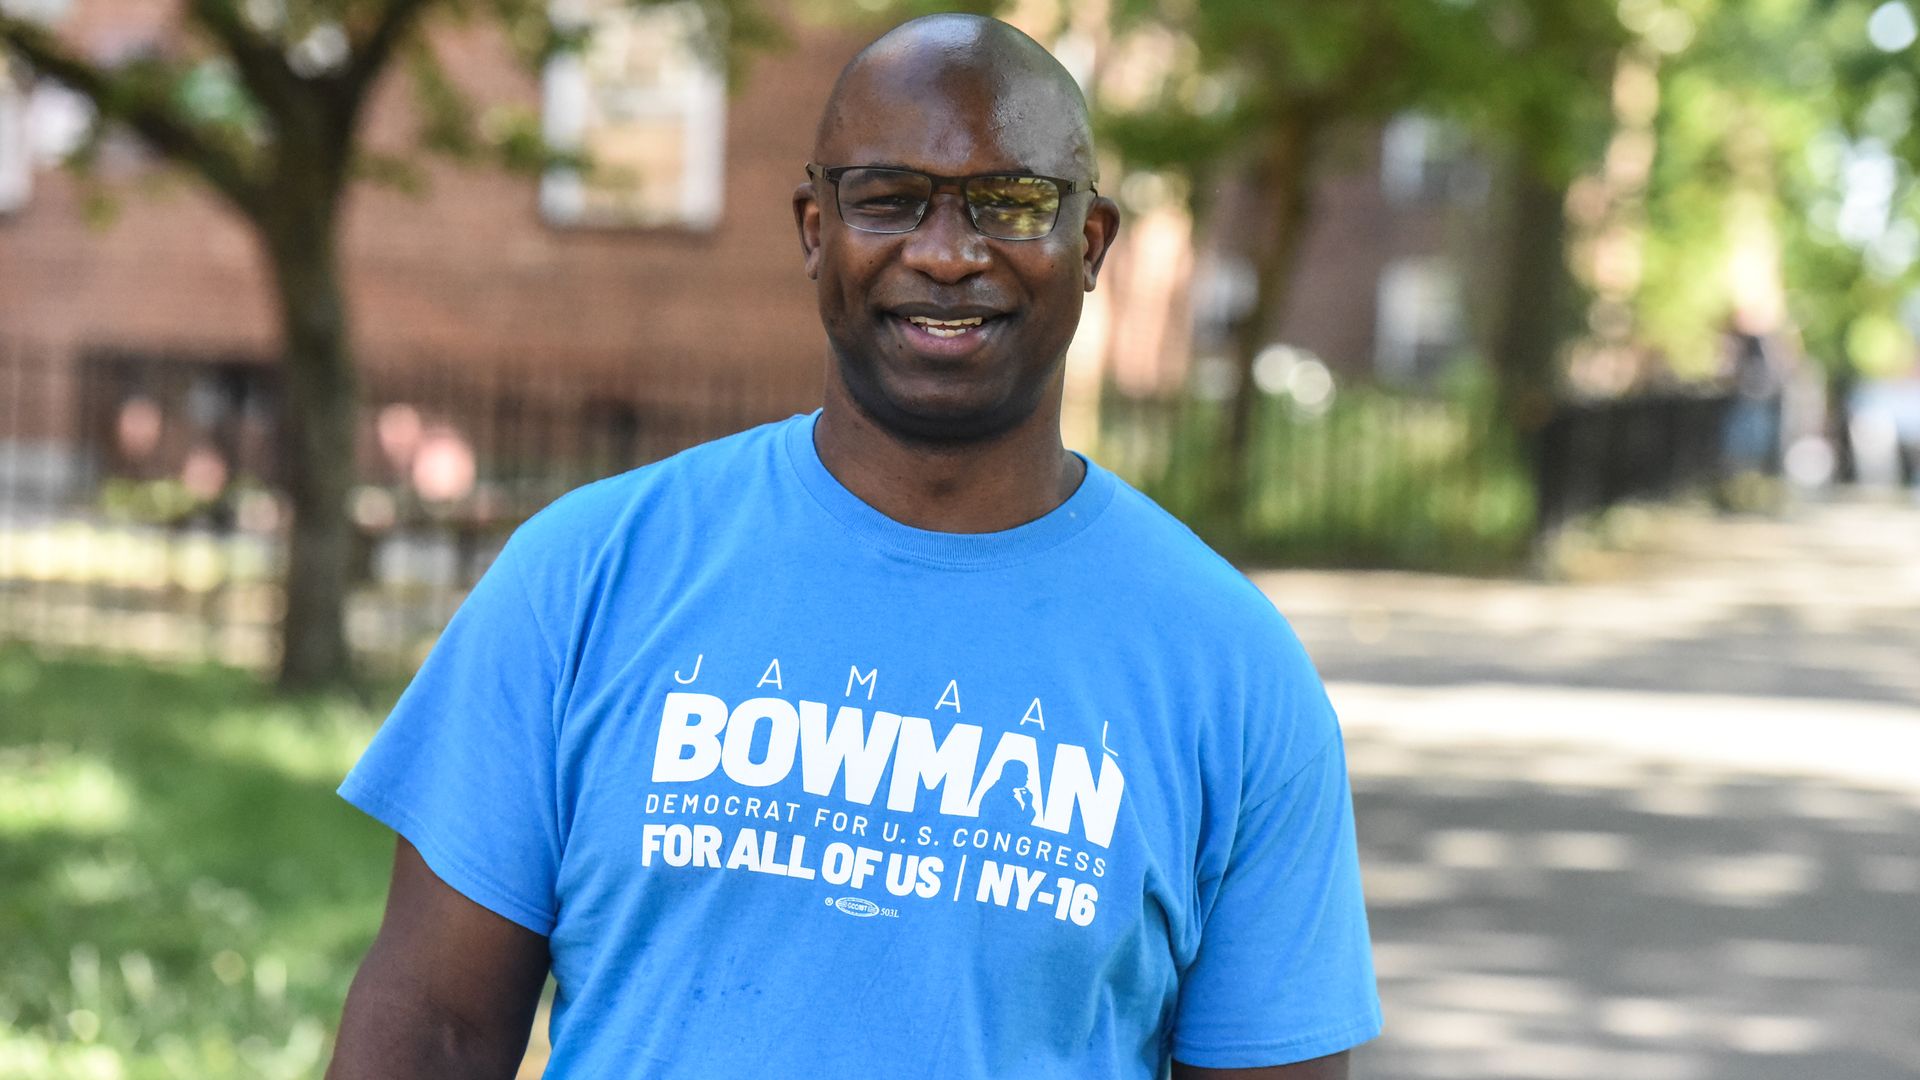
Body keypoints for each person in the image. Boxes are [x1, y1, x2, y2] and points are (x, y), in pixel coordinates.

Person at [326, 14, 1381, 1079]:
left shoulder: (1230, 668)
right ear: (813, 229)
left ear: (1092, 243)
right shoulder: (587, 576)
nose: (947, 252)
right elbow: (434, 1028)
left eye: (1010, 203)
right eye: (888, 199)